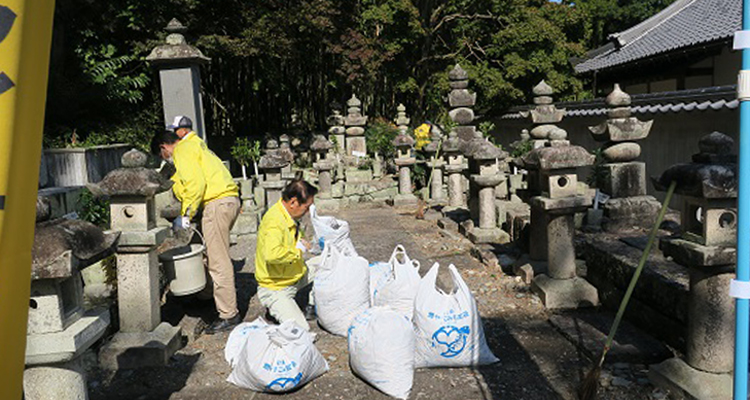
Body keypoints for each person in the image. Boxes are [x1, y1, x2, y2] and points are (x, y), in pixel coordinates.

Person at [151, 116, 241, 334]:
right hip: (226, 200)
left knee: (218, 261)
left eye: (161, 155)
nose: (165, 159)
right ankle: (207, 296)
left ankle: (229, 314)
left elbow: (194, 184)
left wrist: (186, 214)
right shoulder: (196, 145)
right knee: (210, 254)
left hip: (216, 203)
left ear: (164, 147)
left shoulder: (182, 150)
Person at [255, 179, 318, 330]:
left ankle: (311, 304)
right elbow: (272, 255)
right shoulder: (274, 222)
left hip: (293, 274)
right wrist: (298, 251)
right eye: (306, 207)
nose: (308, 212)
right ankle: (276, 307)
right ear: (293, 202)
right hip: (276, 287)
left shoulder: (290, 215)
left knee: (330, 262)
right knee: (301, 331)